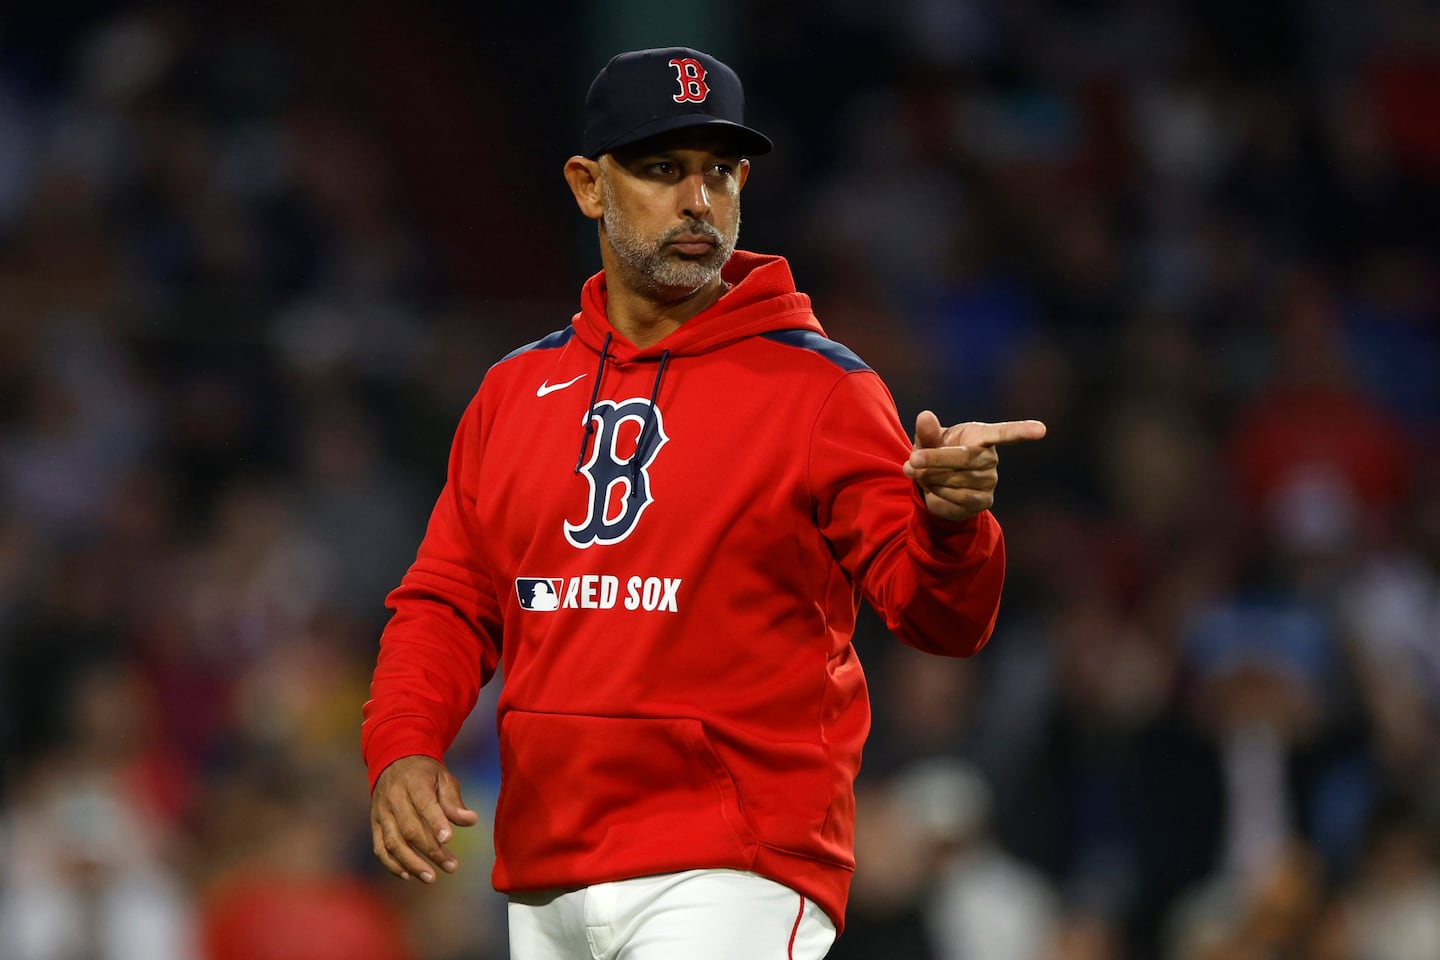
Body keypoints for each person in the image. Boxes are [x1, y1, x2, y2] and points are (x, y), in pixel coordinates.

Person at [362, 46, 1046, 959]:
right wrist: (405, 743)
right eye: (661, 170)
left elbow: (938, 619)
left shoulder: (820, 390)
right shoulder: (513, 392)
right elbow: (449, 603)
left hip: (734, 866)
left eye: (717, 172)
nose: (697, 200)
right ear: (587, 185)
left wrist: (953, 526)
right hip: (548, 871)